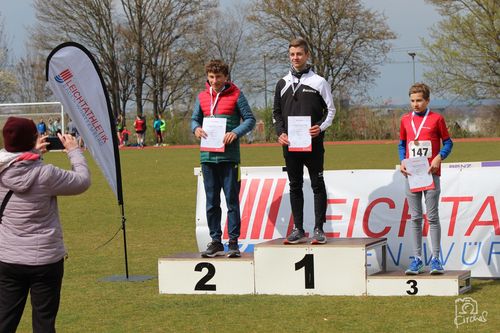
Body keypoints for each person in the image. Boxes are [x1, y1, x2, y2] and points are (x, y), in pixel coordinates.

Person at [0, 116, 91, 332]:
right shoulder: (46, 173)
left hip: (8, 257)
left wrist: (33, 153)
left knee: (4, 321)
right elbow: (82, 181)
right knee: (44, 322)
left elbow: (16, 166)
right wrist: (73, 151)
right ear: (32, 140)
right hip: (44, 259)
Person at [273, 38, 336, 245]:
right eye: (292, 54)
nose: (295, 58)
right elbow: (276, 114)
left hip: (313, 144)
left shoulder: (319, 82)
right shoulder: (282, 83)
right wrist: (280, 132)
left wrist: (320, 127)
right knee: (295, 185)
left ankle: (319, 228)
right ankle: (298, 229)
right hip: (291, 145)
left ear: (307, 55)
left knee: (317, 184)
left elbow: (331, 111)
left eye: (299, 54)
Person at [191, 59, 255, 258]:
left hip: (229, 158)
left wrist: (235, 132)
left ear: (226, 77)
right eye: (211, 77)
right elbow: (194, 119)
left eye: (218, 77)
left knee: (231, 201)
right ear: (207, 78)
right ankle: (216, 241)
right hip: (207, 158)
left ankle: (234, 242)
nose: (215, 81)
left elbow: (250, 119)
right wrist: (196, 129)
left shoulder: (236, 95)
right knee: (211, 202)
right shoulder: (202, 97)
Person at [399, 83, 453, 275]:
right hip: (412, 175)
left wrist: (439, 157)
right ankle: (417, 260)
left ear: (427, 100)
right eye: (412, 100)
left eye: (419, 100)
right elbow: (402, 144)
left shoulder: (437, 118)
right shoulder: (405, 120)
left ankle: (436, 259)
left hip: (430, 174)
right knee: (414, 218)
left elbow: (448, 143)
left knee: (432, 217)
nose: (415, 104)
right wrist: (402, 162)